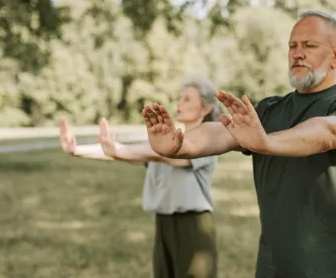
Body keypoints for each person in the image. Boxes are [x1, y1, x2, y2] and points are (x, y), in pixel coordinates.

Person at [141, 10, 336, 278]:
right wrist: (178, 145)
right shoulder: (269, 111)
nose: (297, 53)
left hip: (335, 270)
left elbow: (327, 133)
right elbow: (219, 133)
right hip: (272, 269)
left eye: (309, 45)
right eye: (292, 46)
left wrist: (266, 142)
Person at [60, 77, 222, 278]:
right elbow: (131, 153)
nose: (179, 103)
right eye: (179, 98)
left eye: (187, 99)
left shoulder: (209, 140)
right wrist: (76, 150)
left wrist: (117, 148)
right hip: (163, 223)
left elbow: (167, 156)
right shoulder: (164, 141)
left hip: (193, 225)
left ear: (206, 108)